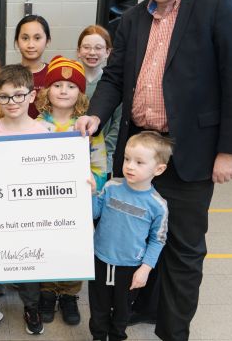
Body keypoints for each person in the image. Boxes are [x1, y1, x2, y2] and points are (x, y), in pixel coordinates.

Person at [75, 0, 232, 339]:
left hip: (190, 152)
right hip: (139, 151)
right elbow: (114, 77)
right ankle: (146, 308)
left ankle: (173, 332)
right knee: (139, 234)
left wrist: (230, 151)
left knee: (183, 250)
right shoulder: (134, 19)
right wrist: (96, 117)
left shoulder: (216, 3)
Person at [34, 55, 108, 326]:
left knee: (74, 247)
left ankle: (68, 293)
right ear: (46, 90)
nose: (63, 90)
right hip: (46, 202)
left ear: (80, 93)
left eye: (71, 86)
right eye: (57, 85)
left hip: (77, 202)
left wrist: (95, 182)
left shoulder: (89, 129)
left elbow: (100, 165)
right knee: (49, 245)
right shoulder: (37, 127)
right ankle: (47, 291)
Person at [0, 64, 47, 335]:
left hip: (29, 212)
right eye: (5, 96)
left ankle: (32, 305)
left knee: (30, 258)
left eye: (19, 95)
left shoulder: (44, 132)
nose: (12, 102)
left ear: (31, 95)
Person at [89, 131, 172, 341]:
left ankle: (117, 336)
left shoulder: (158, 205)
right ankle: (98, 336)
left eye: (139, 162)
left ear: (159, 169)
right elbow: (94, 213)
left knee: (123, 309)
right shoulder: (110, 186)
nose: (130, 166)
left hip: (130, 266)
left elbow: (158, 239)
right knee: (98, 307)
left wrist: (145, 269)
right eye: (127, 159)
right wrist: (90, 194)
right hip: (100, 258)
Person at [77, 25, 121, 178]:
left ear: (108, 52)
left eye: (98, 48)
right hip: (71, 156)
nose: (92, 52)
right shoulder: (68, 84)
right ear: (78, 51)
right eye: (86, 47)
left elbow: (118, 124)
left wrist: (104, 149)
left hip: (102, 159)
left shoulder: (114, 86)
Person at [13, 15, 52, 118]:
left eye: (37, 38)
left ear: (47, 41)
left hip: (47, 132)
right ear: (17, 41)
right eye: (25, 38)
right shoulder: (8, 75)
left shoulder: (54, 74)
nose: (31, 45)